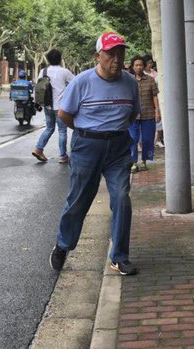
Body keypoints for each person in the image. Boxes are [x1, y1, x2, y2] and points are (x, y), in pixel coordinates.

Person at [50, 32, 140, 276]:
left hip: (118, 147)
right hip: (87, 147)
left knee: (121, 198)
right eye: (111, 54)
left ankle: (119, 257)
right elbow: (64, 115)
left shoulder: (130, 82)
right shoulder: (81, 82)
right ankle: (63, 244)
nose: (117, 59)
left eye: (120, 53)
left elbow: (132, 114)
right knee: (79, 200)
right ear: (97, 56)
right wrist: (88, 132)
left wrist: (113, 131)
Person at [33, 49, 76, 164]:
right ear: (60, 59)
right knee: (62, 131)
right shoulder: (64, 72)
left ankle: (38, 149)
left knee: (49, 128)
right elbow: (76, 82)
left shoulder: (43, 71)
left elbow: (38, 88)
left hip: (47, 106)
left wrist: (37, 103)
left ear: (48, 59)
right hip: (60, 107)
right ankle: (63, 156)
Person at [128, 55, 160, 172]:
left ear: (144, 66)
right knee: (133, 138)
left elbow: (155, 96)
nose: (139, 67)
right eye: (136, 65)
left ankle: (144, 161)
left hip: (148, 113)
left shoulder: (150, 80)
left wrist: (157, 111)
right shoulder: (129, 81)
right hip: (133, 115)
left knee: (147, 139)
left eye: (141, 65)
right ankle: (133, 162)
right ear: (133, 67)